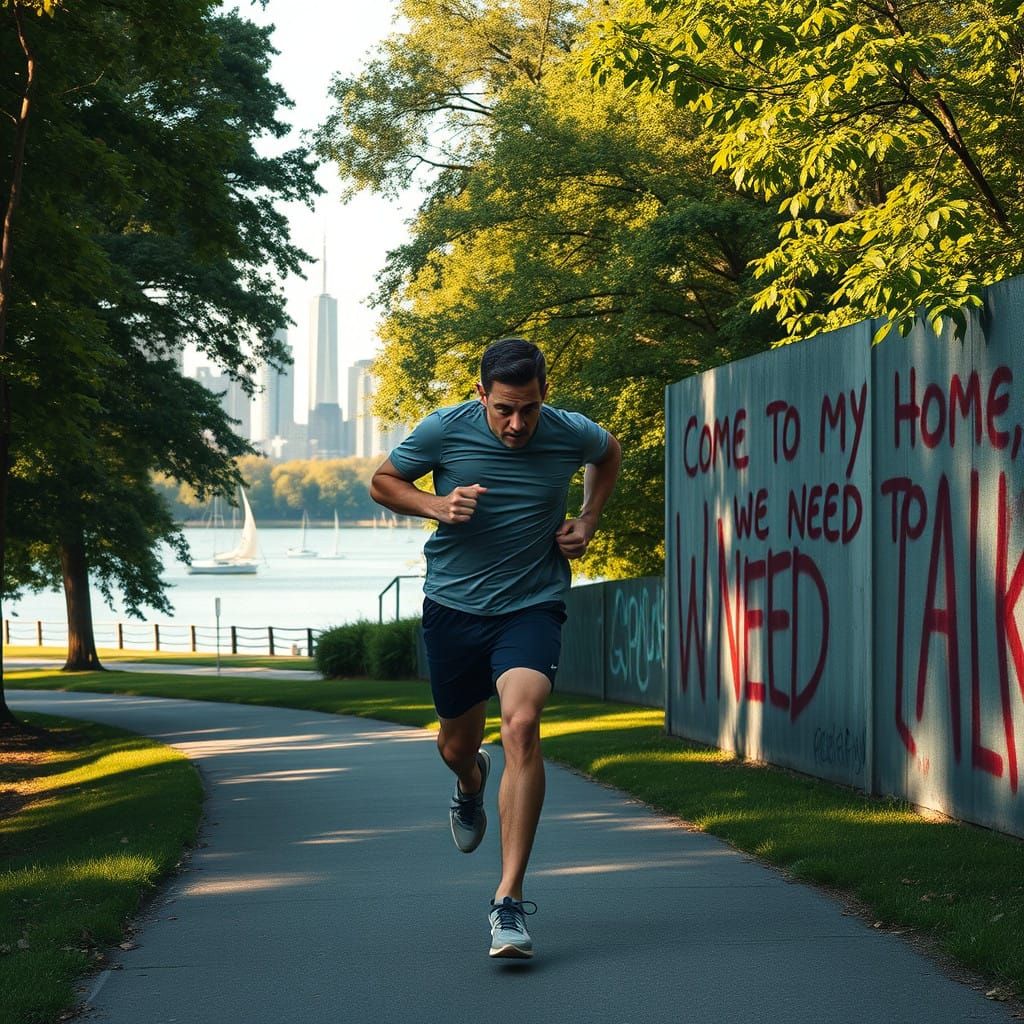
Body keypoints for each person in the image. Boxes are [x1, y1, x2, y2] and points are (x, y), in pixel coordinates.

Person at [370, 337, 621, 959]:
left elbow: (608, 452)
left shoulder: (569, 432)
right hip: (453, 608)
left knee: (523, 724)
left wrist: (588, 518)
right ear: (480, 394)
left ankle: (508, 903)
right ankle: (470, 780)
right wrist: (434, 503)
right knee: (456, 744)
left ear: (544, 397)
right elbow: (382, 481)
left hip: (531, 606)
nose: (517, 424)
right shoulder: (443, 429)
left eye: (529, 409)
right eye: (505, 408)